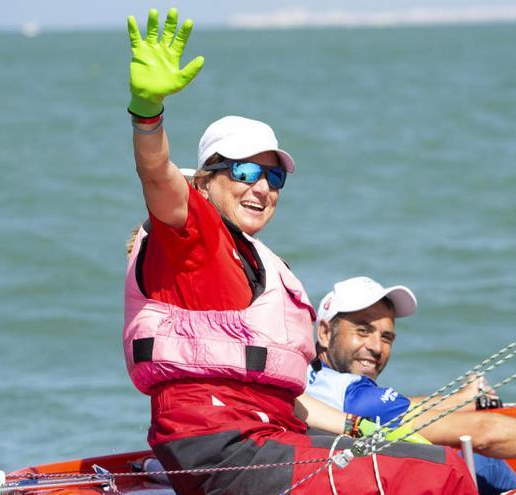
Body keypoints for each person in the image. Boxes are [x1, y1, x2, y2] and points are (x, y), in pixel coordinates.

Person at [122, 8, 477, 495]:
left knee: (431, 459)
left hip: (268, 436)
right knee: (447, 474)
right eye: (245, 172)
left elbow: (286, 396)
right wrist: (148, 114)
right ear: (204, 182)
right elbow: (158, 177)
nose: (262, 188)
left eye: (275, 177)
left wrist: (357, 430)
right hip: (225, 450)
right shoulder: (190, 235)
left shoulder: (256, 258)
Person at [306, 277, 516, 494]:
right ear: (324, 332)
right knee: (464, 451)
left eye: (386, 336)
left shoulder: (315, 378)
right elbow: (482, 432)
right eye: (363, 331)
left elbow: (407, 408)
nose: (377, 347)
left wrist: (462, 400)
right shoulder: (356, 398)